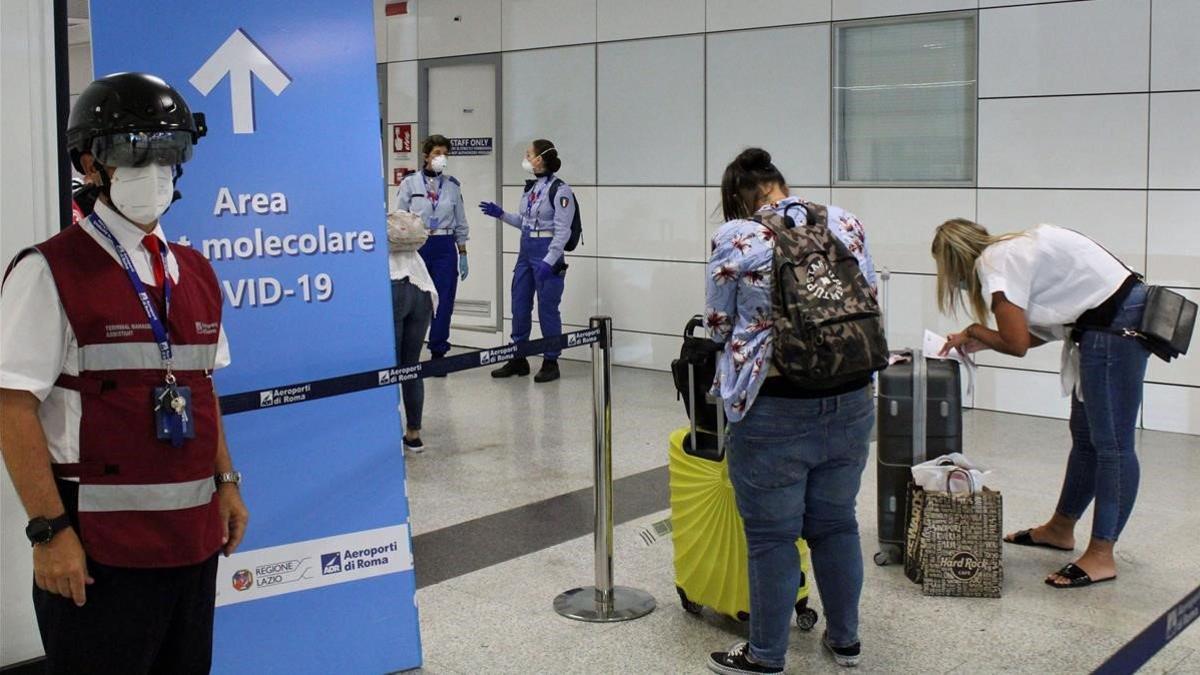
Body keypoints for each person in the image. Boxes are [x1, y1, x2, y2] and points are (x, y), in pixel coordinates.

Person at [0, 72, 249, 674]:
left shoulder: (195, 271)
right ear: (91, 162)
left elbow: (200, 388)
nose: (154, 169)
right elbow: (12, 406)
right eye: (135, 150)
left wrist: (226, 481)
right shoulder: (50, 269)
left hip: (191, 542)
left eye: (168, 152)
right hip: (97, 549)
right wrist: (48, 531)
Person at [705, 149, 877, 674]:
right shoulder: (844, 221)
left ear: (739, 197)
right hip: (851, 395)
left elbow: (718, 324)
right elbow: (866, 293)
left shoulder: (740, 237)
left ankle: (766, 656)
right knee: (836, 523)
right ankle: (845, 642)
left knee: (773, 537)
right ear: (781, 184)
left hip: (774, 404)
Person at [933, 219, 1150, 589]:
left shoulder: (993, 263)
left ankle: (1101, 555)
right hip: (1106, 324)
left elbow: (1016, 344)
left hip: (1115, 327)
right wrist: (984, 339)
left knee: (1112, 446)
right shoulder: (1016, 249)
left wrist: (973, 331)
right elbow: (1034, 334)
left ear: (953, 262)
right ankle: (1060, 528)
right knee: (1085, 439)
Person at [478, 139, 575, 383]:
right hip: (526, 249)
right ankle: (518, 357)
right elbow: (525, 221)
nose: (526, 157)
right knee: (519, 304)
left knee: (547, 308)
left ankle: (551, 360)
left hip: (547, 251)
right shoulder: (531, 188)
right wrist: (501, 214)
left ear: (540, 158)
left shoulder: (560, 190)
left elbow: (563, 231)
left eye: (529, 154)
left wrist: (550, 260)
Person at [396, 135, 469, 368]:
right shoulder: (410, 184)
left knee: (444, 300)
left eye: (445, 154)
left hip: (445, 247)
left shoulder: (452, 186)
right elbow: (400, 219)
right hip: (419, 245)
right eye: (437, 153)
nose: (441, 158)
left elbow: (461, 222)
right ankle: (408, 353)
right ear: (426, 155)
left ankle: (438, 351)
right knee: (416, 300)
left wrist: (463, 253)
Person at [386, 210, 438, 453]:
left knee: (389, 371)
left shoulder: (371, 232)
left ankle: (385, 434)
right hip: (422, 289)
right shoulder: (409, 237)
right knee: (411, 367)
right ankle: (414, 434)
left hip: (394, 287)